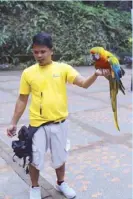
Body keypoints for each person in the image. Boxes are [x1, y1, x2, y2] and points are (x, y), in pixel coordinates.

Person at [7, 32, 110, 199]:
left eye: (43, 51)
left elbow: (83, 83)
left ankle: (61, 183)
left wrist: (95, 75)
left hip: (59, 123)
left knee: (60, 157)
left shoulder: (63, 68)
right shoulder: (28, 73)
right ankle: (34, 187)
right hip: (37, 125)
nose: (39, 55)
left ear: (51, 51)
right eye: (35, 52)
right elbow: (22, 99)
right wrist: (13, 122)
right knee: (34, 158)